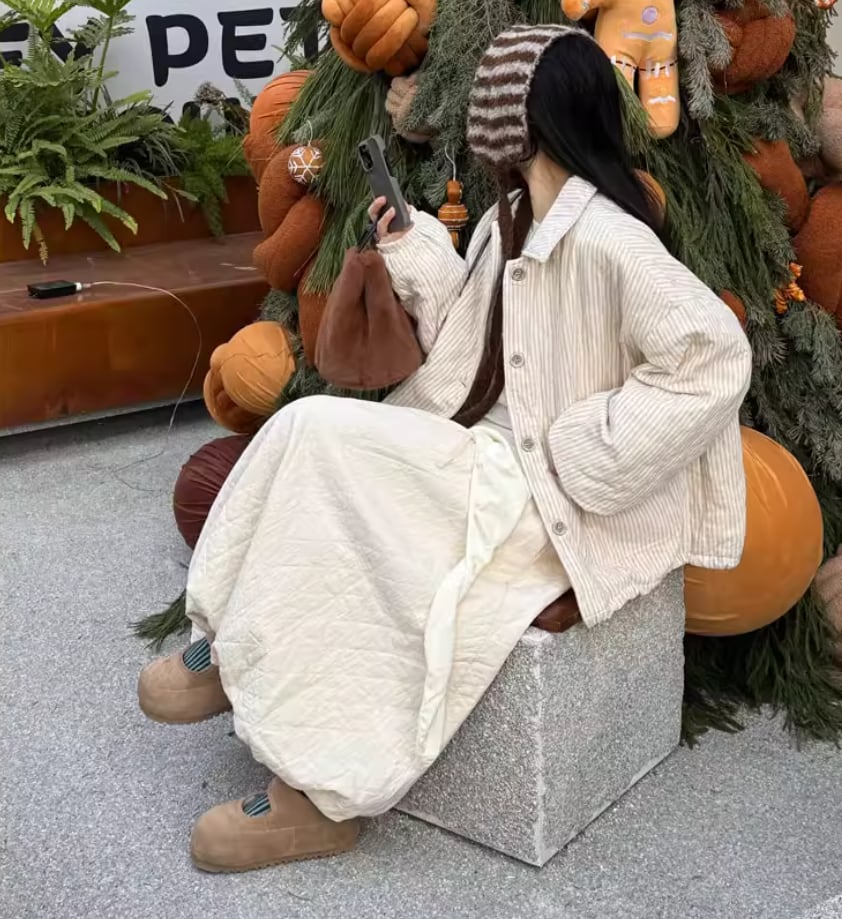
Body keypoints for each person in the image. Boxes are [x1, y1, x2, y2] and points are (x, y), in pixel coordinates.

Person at [138, 24, 751, 873]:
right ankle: (230, 639)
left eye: (492, 97)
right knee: (304, 435)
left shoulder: (611, 237)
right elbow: (477, 332)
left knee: (319, 438)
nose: (476, 112)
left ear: (526, 117)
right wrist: (414, 246)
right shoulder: (511, 220)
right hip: (481, 454)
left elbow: (715, 356)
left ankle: (321, 794)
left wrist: (590, 448)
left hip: (540, 489)